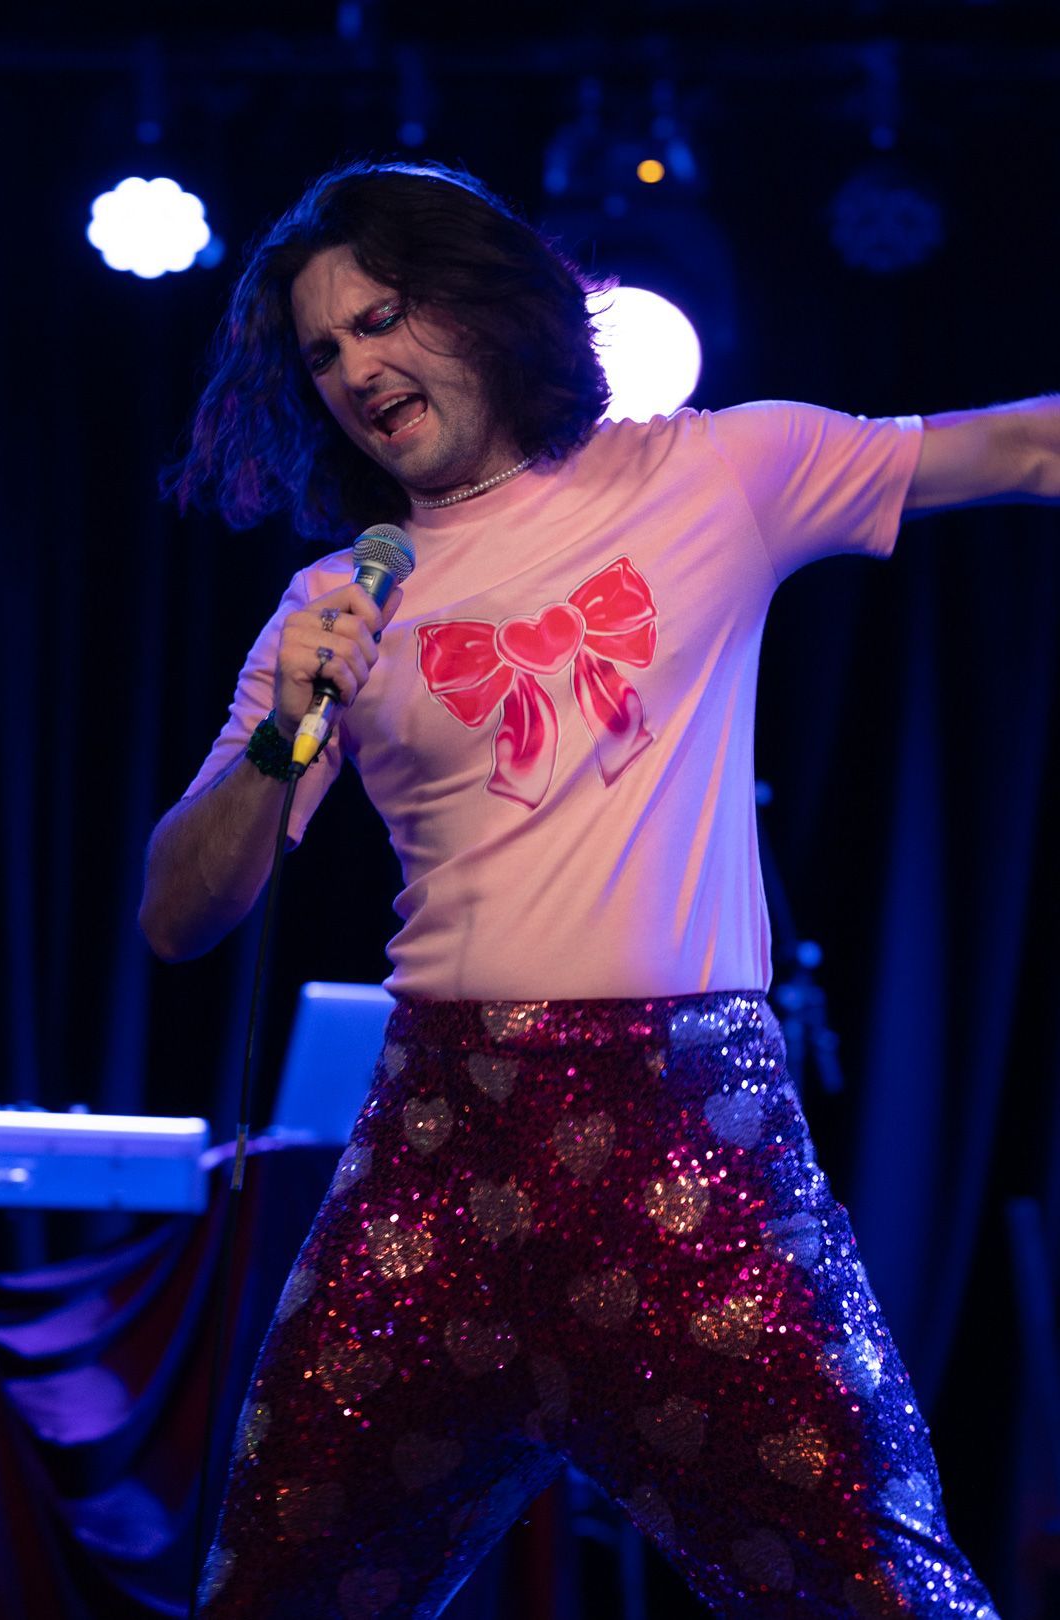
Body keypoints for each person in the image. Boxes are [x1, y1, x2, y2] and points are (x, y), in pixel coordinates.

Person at [138, 159, 1052, 1619]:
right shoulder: (341, 603)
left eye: (381, 319)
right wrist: (277, 733)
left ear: (482, 305)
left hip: (694, 1139)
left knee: (883, 1592)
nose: (357, 366)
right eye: (321, 351)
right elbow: (179, 915)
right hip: (444, 1143)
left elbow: (1017, 453)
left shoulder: (712, 471)